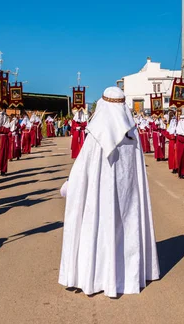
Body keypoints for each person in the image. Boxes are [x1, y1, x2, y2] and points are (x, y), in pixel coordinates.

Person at [58, 87, 159, 297]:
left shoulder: (97, 133)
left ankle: (98, 277)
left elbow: (82, 167)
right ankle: (126, 277)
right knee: (126, 229)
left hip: (101, 197)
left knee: (100, 229)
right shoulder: (132, 132)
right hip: (128, 195)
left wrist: (71, 184)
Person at [0, 110, 11, 176]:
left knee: (4, 155)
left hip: (4, 140)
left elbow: (8, 131)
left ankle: (3, 170)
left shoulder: (7, 125)